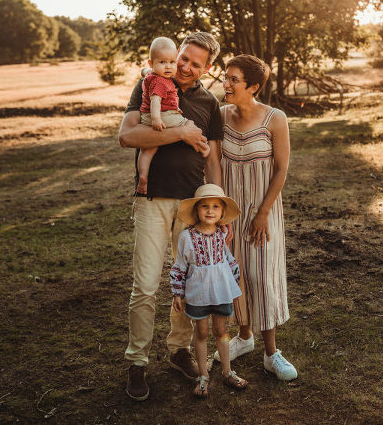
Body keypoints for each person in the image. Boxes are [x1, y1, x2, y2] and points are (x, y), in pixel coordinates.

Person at [118, 32, 223, 401]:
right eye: (184, 58)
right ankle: (137, 361)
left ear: (207, 68)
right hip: (151, 201)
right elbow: (128, 137)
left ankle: (179, 350)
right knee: (146, 285)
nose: (187, 67)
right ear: (174, 55)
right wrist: (181, 131)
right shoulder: (147, 85)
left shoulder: (209, 102)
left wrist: (218, 205)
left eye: (197, 63)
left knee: (189, 283)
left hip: (191, 204)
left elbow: (212, 159)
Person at [213, 54, 297, 381]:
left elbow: (281, 168)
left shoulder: (275, 118)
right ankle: (244, 337)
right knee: (236, 276)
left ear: (253, 86)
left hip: (263, 211)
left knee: (262, 275)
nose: (227, 84)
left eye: (234, 79)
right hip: (230, 213)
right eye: (226, 77)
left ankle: (271, 352)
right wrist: (219, 213)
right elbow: (215, 164)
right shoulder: (219, 116)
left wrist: (263, 213)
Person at [169, 184, 249, 397]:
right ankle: (203, 376)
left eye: (215, 206)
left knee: (221, 331)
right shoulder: (187, 237)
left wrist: (233, 280)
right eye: (205, 206)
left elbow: (227, 259)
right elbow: (180, 266)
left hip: (220, 290)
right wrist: (178, 292)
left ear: (222, 212)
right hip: (198, 292)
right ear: (196, 211)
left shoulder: (221, 234)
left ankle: (227, 371)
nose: (210, 211)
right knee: (202, 331)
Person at [136, 37, 210, 195]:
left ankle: (143, 175)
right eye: (163, 63)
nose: (169, 67)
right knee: (188, 124)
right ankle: (203, 146)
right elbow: (156, 100)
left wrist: (149, 69)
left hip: (146, 117)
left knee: (147, 151)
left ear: (206, 68)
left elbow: (146, 71)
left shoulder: (150, 75)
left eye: (171, 62)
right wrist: (157, 119)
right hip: (163, 115)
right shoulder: (162, 81)